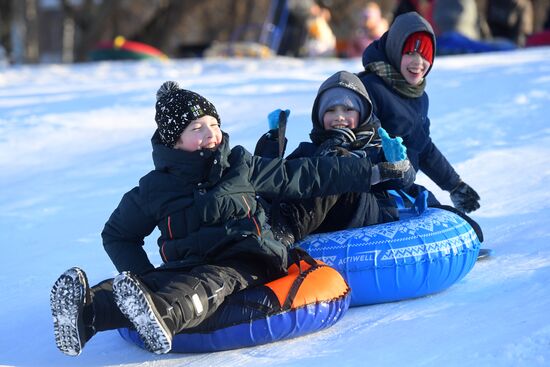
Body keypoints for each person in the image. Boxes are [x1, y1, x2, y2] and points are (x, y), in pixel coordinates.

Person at [49, 81, 411, 356]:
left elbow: (306, 176)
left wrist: (374, 172)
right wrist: (142, 276)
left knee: (207, 283)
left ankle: (161, 315)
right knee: (156, 280)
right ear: (174, 140)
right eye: (197, 129)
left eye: (213, 124)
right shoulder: (155, 188)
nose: (210, 135)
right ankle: (87, 313)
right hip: (187, 260)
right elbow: (117, 234)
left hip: (248, 257)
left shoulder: (239, 165)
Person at [255, 70, 416, 244]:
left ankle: (285, 229)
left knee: (337, 164)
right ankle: (267, 227)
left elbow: (404, 182)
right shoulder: (309, 151)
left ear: (362, 114)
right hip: (320, 223)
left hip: (364, 218)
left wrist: (399, 164)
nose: (339, 117)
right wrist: (273, 141)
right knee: (304, 172)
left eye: (348, 109)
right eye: (330, 110)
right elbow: (277, 182)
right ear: (319, 117)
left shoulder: (372, 148)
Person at [358, 11, 481, 217]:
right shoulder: (370, 88)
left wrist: (454, 184)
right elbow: (359, 145)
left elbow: (423, 147)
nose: (418, 62)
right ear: (396, 50)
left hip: (404, 188)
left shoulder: (419, 98)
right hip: (373, 193)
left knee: (455, 221)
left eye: (425, 55)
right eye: (410, 53)